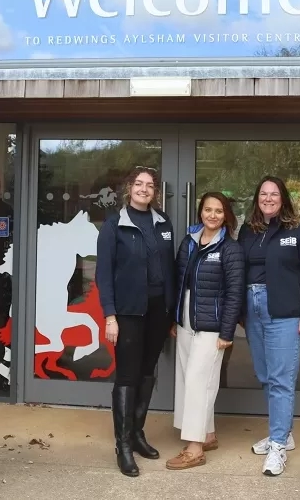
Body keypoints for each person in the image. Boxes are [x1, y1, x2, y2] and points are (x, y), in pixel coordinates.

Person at [95, 167, 176, 477]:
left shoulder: (163, 222)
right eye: (139, 184)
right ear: (129, 189)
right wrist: (110, 317)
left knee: (146, 372)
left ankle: (138, 433)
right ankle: (123, 445)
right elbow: (103, 275)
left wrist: (172, 312)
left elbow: (170, 268)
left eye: (150, 185)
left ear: (155, 192)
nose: (144, 189)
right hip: (128, 313)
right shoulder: (114, 225)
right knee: (127, 376)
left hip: (159, 311)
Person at [238, 175, 300, 477]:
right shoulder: (248, 231)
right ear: (257, 199)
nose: (269, 198)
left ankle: (278, 445)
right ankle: (284, 433)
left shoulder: (299, 230)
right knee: (265, 375)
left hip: (284, 312)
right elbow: (238, 269)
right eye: (263, 194)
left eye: (274, 194)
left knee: (282, 379)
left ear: (283, 198)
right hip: (253, 310)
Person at [166, 192, 245, 471]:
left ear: (226, 216)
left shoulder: (230, 249)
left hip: (212, 327)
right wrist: (175, 320)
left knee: (201, 382)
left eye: (219, 211)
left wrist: (227, 332)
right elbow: (178, 282)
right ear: (200, 212)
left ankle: (195, 449)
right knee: (188, 379)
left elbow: (235, 293)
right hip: (187, 321)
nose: (212, 215)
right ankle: (207, 435)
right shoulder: (189, 242)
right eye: (208, 210)